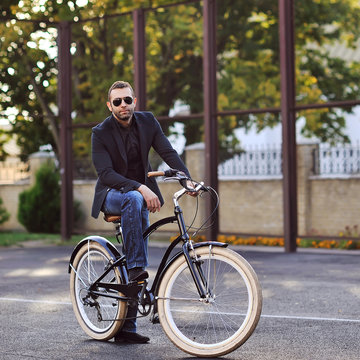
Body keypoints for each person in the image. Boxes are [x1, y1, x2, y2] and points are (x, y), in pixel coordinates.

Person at [91, 80, 195, 344]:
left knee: (139, 237)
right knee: (134, 206)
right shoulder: (100, 132)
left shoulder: (148, 122)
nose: (123, 105)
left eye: (127, 100)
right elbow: (106, 174)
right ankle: (136, 270)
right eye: (117, 102)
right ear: (109, 105)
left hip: (139, 197)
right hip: (112, 195)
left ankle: (127, 329)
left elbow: (167, 151)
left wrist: (187, 179)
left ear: (134, 101)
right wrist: (140, 187)